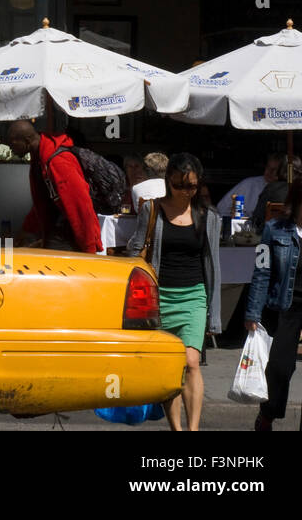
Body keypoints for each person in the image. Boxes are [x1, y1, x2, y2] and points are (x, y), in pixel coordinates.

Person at [126, 153, 221, 432]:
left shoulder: (209, 216)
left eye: (191, 186)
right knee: (172, 366)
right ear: (169, 182)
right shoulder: (152, 210)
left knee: (192, 361)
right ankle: (176, 429)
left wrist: (214, 315)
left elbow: (214, 264)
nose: (185, 192)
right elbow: (135, 250)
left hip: (194, 294)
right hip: (160, 296)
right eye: (180, 185)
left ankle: (193, 429)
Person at [247, 174, 302, 431]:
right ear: (295, 202)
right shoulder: (274, 230)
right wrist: (252, 312)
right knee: (279, 369)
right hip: (284, 307)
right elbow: (262, 271)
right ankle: (268, 413)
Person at [6, 120, 101, 253]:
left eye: (12, 142)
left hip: (68, 237)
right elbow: (43, 200)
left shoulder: (58, 161)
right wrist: (26, 230)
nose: (10, 147)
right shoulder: (40, 159)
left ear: (27, 140)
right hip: (58, 234)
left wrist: (89, 247)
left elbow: (80, 205)